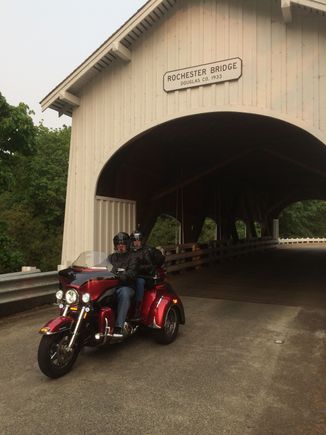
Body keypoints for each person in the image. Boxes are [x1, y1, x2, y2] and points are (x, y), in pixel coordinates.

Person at [108, 232, 139, 337]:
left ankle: (119, 326)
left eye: (123, 243)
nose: (120, 246)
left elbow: (132, 273)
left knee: (124, 293)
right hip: (112, 286)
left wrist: (121, 276)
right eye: (118, 244)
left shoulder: (133, 257)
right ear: (115, 245)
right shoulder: (111, 257)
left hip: (127, 286)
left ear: (127, 244)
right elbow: (102, 267)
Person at [130, 230, 165, 320]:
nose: (136, 242)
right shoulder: (129, 251)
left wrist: (138, 267)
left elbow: (151, 265)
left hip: (145, 277)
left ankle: (138, 309)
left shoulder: (147, 250)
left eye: (138, 240)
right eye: (135, 240)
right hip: (131, 275)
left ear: (141, 240)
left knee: (139, 282)